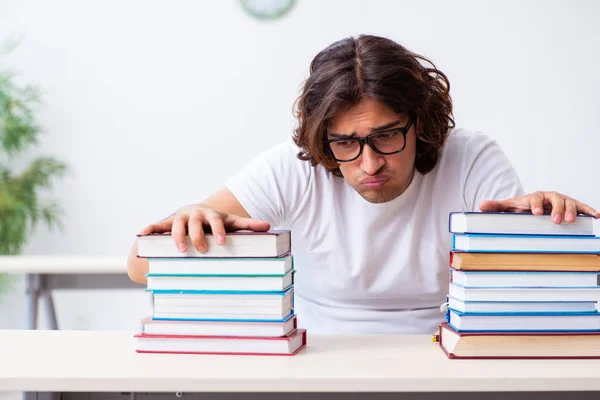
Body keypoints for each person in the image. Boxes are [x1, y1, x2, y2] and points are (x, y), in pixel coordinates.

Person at [127, 34, 599, 334]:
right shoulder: (293, 168)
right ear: (323, 139)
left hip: (444, 361)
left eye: (387, 135)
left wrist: (545, 226)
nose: (369, 163)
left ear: (421, 123)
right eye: (345, 143)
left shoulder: (471, 157)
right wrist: (190, 225)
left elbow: (520, 281)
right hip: (318, 365)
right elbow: (138, 268)